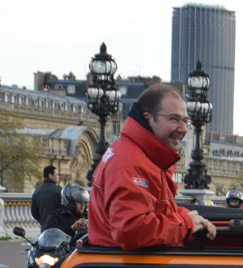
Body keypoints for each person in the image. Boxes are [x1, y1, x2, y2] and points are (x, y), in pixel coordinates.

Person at [88, 83, 215, 249]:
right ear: (148, 118)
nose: (183, 129)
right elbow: (131, 229)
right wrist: (185, 224)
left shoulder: (143, 156)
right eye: (174, 119)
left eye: (185, 121)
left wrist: (189, 218)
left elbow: (154, 212)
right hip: (128, 264)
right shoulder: (131, 163)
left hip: (129, 263)